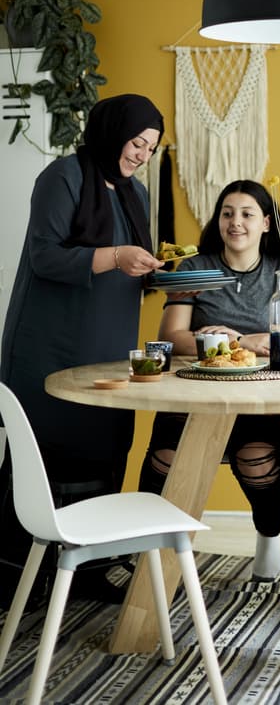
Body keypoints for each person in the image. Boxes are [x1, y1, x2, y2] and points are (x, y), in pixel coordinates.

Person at [0, 93, 165, 604]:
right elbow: (45, 256)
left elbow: (132, 263)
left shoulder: (134, 192)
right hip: (50, 343)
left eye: (150, 148)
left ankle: (89, 568)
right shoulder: (63, 176)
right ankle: (12, 573)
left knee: (104, 447)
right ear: (112, 131)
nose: (141, 154)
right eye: (137, 142)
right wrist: (117, 257)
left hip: (109, 342)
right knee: (44, 454)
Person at [138, 179, 280, 580]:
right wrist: (215, 343)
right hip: (197, 395)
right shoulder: (193, 269)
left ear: (265, 224)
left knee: (258, 462)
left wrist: (247, 340)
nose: (235, 222)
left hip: (262, 399)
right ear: (218, 221)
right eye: (227, 213)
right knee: (165, 461)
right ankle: (151, 550)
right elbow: (170, 337)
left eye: (246, 214)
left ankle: (268, 532)